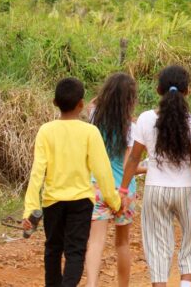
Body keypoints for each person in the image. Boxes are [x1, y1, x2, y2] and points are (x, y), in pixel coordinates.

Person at [22, 77, 121, 287]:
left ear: (54, 102)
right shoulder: (90, 132)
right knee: (75, 251)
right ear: (81, 104)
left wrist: (30, 209)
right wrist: (115, 202)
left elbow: (37, 173)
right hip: (81, 202)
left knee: (53, 249)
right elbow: (103, 172)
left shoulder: (46, 131)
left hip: (52, 202)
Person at [120, 65, 191, 287]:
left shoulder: (146, 119)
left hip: (155, 190)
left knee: (157, 244)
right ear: (187, 91)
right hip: (186, 189)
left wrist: (123, 189)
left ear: (159, 89)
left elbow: (133, 159)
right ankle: (185, 284)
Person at [85, 72, 146, 287]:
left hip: (97, 186)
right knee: (122, 242)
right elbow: (131, 166)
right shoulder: (133, 128)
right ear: (131, 99)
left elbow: (92, 103)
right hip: (123, 190)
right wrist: (148, 169)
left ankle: (91, 284)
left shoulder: (93, 116)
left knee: (95, 242)